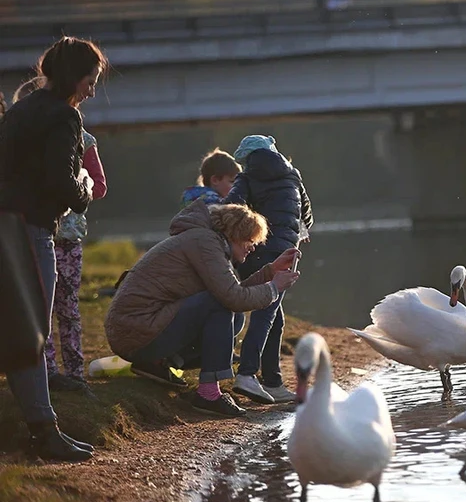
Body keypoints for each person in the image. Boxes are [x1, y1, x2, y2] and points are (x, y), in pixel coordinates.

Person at [0, 36, 107, 462]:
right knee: (31, 334)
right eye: (91, 79)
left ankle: (43, 429)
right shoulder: (64, 116)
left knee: (17, 330)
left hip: (8, 223)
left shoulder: (21, 110)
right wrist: (83, 188)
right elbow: (61, 181)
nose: (92, 90)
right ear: (74, 77)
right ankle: (45, 434)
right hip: (29, 230)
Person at [104, 200, 300, 417]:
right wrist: (274, 288)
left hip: (138, 330)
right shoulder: (204, 242)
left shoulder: (205, 241)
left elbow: (231, 291)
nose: (254, 246)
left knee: (232, 316)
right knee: (220, 306)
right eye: (251, 240)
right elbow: (232, 298)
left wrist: (270, 272)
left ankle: (157, 362)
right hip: (136, 333)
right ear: (235, 233)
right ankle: (208, 394)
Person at [9, 79, 109, 397]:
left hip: (64, 234)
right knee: (48, 308)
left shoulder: (83, 137)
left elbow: (100, 185)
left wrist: (79, 186)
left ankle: (72, 372)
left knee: (63, 307)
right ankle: (51, 372)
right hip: (38, 230)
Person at [225, 135, 313, 405]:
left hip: (254, 249)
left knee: (273, 316)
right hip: (285, 251)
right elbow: (307, 215)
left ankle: (272, 380)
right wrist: (297, 233)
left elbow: (231, 207)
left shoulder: (247, 176)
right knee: (267, 313)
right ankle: (248, 374)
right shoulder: (292, 175)